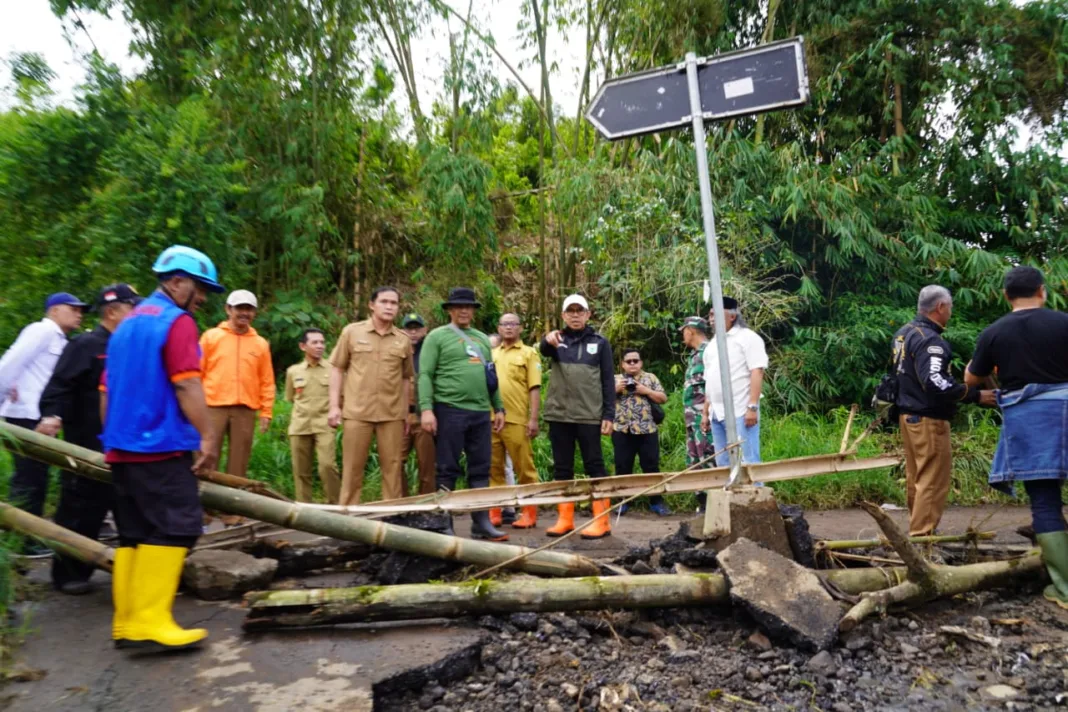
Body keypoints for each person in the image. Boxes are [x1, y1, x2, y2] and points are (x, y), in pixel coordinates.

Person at [100, 245, 223, 651]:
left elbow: (105, 392)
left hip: (122, 448)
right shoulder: (176, 322)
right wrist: (206, 436)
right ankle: (153, 621)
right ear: (176, 282)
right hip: (160, 446)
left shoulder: (127, 325)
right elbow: (187, 383)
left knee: (134, 533)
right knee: (178, 526)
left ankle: (128, 622)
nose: (203, 297)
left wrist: (114, 435)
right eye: (200, 287)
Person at [965, 266, 1068, 609]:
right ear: (1042, 291)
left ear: (1006, 296)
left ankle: (1064, 589)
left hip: (1030, 419)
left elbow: (971, 378)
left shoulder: (994, 333)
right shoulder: (1063, 322)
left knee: (1044, 499)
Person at [36, 284, 139, 592]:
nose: (137, 314)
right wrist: (52, 416)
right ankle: (70, 574)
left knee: (131, 507)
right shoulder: (86, 345)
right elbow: (59, 386)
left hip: (126, 443)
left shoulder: (132, 346)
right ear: (112, 311)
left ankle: (134, 570)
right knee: (81, 508)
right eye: (131, 307)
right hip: (86, 443)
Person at [892, 285, 993, 536]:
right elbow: (934, 381)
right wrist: (975, 395)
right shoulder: (930, 340)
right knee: (932, 481)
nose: (950, 312)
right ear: (940, 307)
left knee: (918, 478)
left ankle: (918, 533)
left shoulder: (904, 333)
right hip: (928, 418)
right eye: (950, 307)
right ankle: (923, 537)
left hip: (908, 416)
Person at [0, 291, 86, 556]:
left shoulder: (61, 339)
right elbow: (11, 363)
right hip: (25, 415)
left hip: (39, 415)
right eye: (73, 309)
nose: (79, 314)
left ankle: (27, 538)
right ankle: (21, 542)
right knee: (28, 479)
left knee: (37, 477)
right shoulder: (41, 331)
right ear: (54, 310)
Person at [418, 287, 507, 541]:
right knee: (447, 468)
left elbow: (491, 377)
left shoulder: (480, 339)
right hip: (449, 410)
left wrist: (498, 407)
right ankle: (443, 524)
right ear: (450, 310)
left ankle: (481, 523)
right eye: (459, 307)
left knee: (481, 468)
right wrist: (426, 409)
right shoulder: (436, 337)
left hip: (480, 412)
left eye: (469, 307)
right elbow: (425, 374)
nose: (465, 310)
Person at [329, 286, 413, 504]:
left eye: (394, 303)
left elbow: (406, 378)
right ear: (371, 305)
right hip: (357, 412)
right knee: (352, 467)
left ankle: (391, 518)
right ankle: (348, 517)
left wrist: (405, 413)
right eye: (384, 302)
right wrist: (334, 406)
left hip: (392, 414)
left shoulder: (402, 339)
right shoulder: (352, 332)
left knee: (392, 468)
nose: (389, 307)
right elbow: (337, 368)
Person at [540, 294, 615, 539]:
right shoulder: (555, 340)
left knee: (595, 466)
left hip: (589, 415)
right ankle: (565, 519)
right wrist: (546, 339)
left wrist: (609, 414)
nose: (574, 315)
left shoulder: (600, 342)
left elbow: (607, 380)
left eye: (579, 310)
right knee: (562, 468)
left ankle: (602, 521)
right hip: (559, 414)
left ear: (587, 314)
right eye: (570, 311)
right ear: (563, 315)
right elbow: (542, 350)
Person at [200, 289, 275, 480]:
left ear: (254, 313)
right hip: (212, 406)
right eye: (239, 308)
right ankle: (206, 505)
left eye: (249, 309)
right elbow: (197, 372)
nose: (244, 313)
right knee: (207, 455)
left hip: (245, 409)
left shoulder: (260, 344)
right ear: (228, 309)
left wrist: (266, 411)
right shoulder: (211, 337)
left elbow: (266, 380)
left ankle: (233, 506)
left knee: (239, 460)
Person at [701, 296, 768, 468]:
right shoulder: (712, 345)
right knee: (723, 462)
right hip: (717, 412)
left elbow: (757, 371)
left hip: (740, 409)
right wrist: (705, 412)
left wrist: (752, 407)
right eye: (710, 314)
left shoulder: (747, 338)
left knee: (748, 459)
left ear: (732, 316)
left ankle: (755, 493)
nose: (712, 319)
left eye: (716, 314)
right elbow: (710, 380)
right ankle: (731, 494)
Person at [490, 313, 542, 529]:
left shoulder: (529, 353)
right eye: (504, 324)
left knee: (524, 467)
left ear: (520, 328)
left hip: (517, 419)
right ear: (499, 328)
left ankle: (529, 512)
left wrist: (533, 419)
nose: (508, 328)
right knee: (493, 468)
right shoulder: (491, 353)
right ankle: (495, 512)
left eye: (513, 324)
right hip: (490, 418)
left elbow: (535, 387)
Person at [284, 328, 340, 503]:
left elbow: (340, 396)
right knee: (301, 471)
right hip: (300, 425)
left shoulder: (333, 370)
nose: (320, 346)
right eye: (314, 342)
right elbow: (291, 397)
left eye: (322, 342)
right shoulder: (293, 371)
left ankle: (336, 506)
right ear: (303, 346)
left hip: (325, 425)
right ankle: (304, 510)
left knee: (327, 466)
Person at [613, 348, 670, 515]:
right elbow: (601, 399)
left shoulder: (650, 378)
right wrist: (616, 389)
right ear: (622, 364)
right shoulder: (615, 379)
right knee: (623, 467)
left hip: (647, 429)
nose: (632, 364)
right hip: (622, 430)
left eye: (635, 361)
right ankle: (623, 501)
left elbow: (663, 398)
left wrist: (646, 391)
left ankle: (656, 501)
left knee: (651, 466)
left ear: (641, 363)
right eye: (628, 361)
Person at [680, 317, 716, 510]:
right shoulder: (694, 355)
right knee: (694, 462)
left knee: (708, 458)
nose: (682, 335)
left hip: (704, 418)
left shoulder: (709, 352)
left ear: (691, 331)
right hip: (691, 420)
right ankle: (702, 505)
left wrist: (706, 414)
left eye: (683, 330)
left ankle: (715, 504)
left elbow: (712, 385)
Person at [400, 313, 436, 495]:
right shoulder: (397, 353)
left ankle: (426, 507)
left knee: (427, 465)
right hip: (400, 417)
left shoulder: (430, 353)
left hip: (424, 416)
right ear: (401, 331)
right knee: (396, 462)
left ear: (424, 330)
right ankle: (402, 505)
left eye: (417, 328)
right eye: (408, 329)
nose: (413, 332)